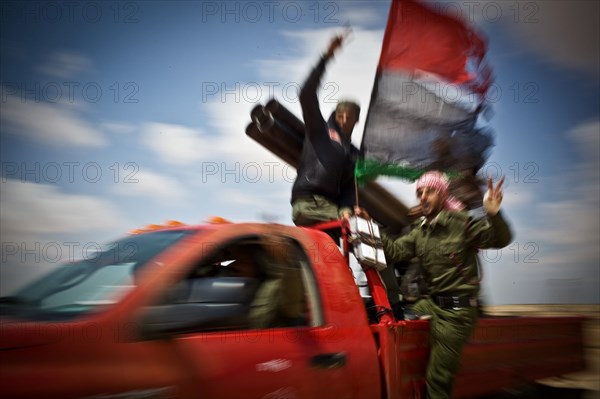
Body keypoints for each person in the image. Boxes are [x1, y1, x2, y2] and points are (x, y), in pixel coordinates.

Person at [359, 171, 512, 399]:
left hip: (456, 314)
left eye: (429, 191)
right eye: (419, 192)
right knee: (396, 318)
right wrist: (369, 225)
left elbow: (501, 239)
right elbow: (393, 251)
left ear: (441, 194)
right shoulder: (420, 232)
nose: (423, 197)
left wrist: (493, 214)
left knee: (438, 380)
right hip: (431, 305)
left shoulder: (461, 223)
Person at [290, 33, 360, 226]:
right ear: (335, 115)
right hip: (308, 203)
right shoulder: (319, 130)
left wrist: (346, 210)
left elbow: (348, 188)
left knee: (361, 232)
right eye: (341, 114)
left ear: (357, 120)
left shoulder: (353, 153)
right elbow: (306, 94)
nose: (345, 119)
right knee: (355, 228)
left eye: (350, 115)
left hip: (332, 207)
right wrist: (326, 57)